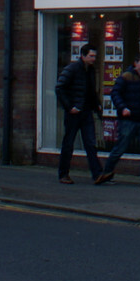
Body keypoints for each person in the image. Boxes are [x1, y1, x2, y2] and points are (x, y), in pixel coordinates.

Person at [55, 46, 110, 185]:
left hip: (86, 112)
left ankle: (97, 174)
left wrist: (96, 104)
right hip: (74, 113)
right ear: (83, 55)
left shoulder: (90, 70)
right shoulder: (72, 69)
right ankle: (63, 174)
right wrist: (69, 107)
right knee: (68, 144)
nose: (93, 59)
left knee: (91, 143)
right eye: (91, 56)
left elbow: (91, 90)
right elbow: (59, 88)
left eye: (94, 56)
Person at [107, 53, 140, 187]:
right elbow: (115, 93)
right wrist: (123, 107)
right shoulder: (126, 77)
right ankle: (107, 172)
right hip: (129, 119)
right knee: (121, 147)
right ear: (136, 64)